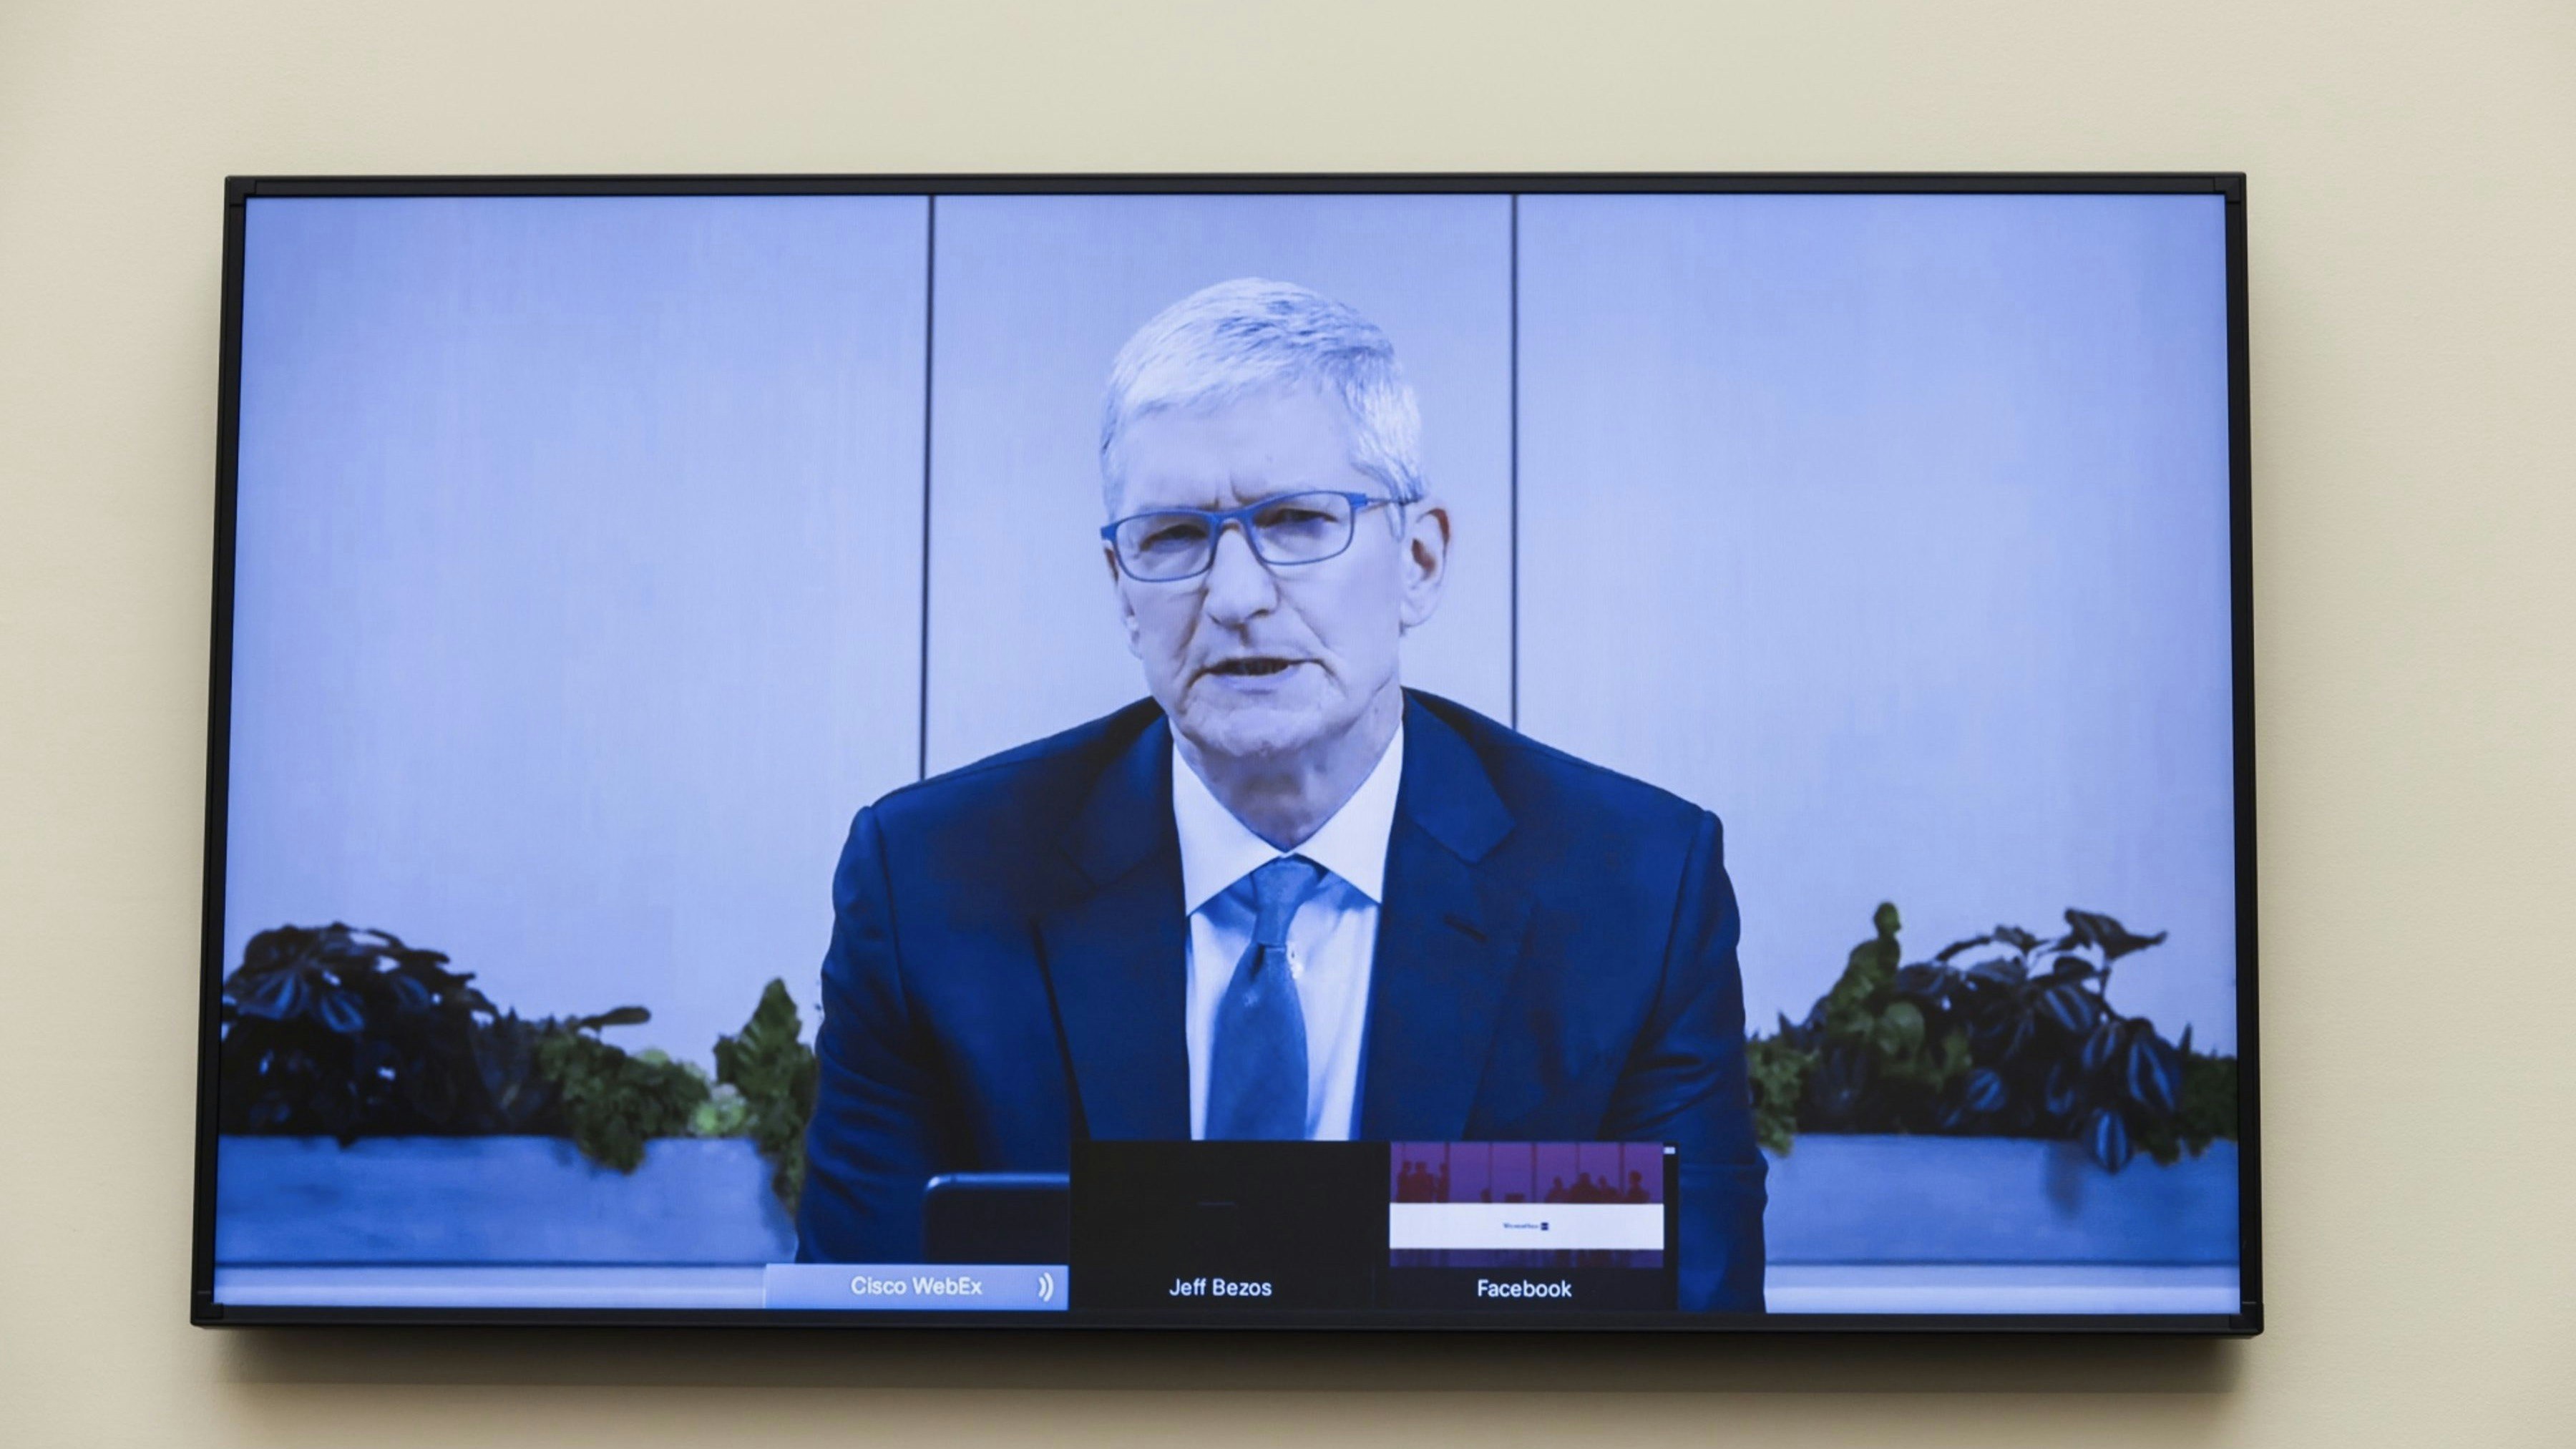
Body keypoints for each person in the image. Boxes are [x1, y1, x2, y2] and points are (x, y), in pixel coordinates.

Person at [795, 278, 1766, 1311]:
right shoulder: (930, 886)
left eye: (1299, 522)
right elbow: (865, 1345)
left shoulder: (1635, 892)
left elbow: (1688, 1347)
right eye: (1172, 538)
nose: (1237, 595)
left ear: (1421, 560)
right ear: (1122, 587)